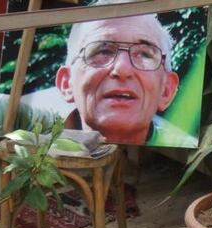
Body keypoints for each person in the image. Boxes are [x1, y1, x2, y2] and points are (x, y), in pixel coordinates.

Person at [55, 7, 197, 148]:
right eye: (103, 51)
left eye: (144, 54)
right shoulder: (36, 153)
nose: (122, 69)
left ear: (166, 90)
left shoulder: (198, 162)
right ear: (67, 83)